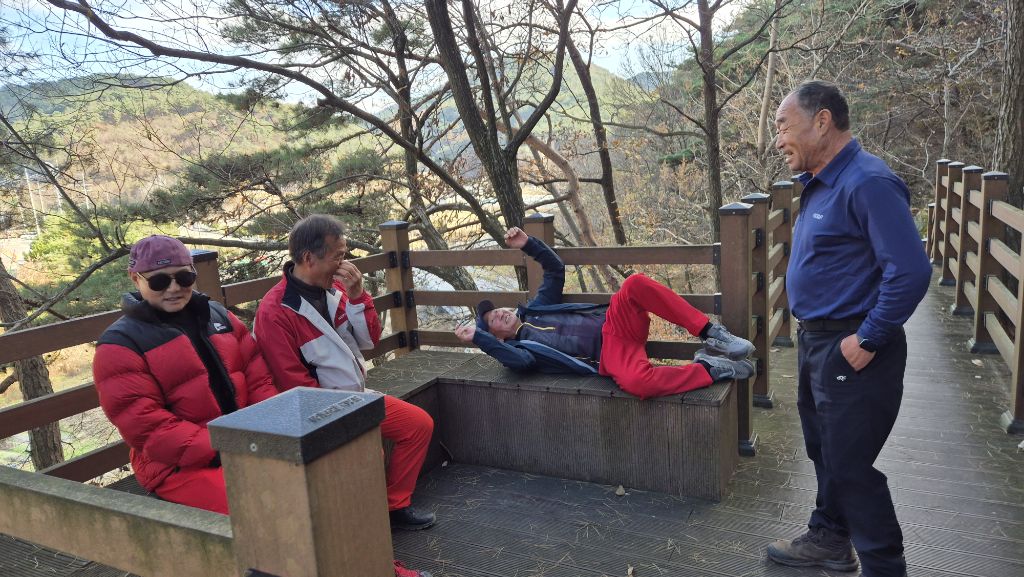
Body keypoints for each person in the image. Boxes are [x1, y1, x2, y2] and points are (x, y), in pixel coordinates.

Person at [767, 81, 931, 577]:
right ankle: (830, 538)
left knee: (851, 466)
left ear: (822, 121)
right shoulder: (823, 182)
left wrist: (869, 338)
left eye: (784, 126)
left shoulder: (867, 182)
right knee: (825, 450)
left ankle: (885, 568)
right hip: (818, 340)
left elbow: (911, 271)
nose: (778, 140)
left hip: (852, 344)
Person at [254, 214, 437, 533]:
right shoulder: (275, 312)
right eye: (338, 256)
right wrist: (349, 422)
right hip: (321, 413)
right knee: (369, 451)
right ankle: (367, 526)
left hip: (355, 399)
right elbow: (295, 386)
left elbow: (369, 340)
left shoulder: (335, 288)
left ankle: (394, 505)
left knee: (417, 425)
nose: (344, 264)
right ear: (309, 258)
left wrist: (358, 295)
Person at [93, 235, 279, 515]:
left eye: (184, 278)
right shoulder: (120, 345)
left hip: (244, 443)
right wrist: (228, 447)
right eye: (159, 281)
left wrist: (267, 430)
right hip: (175, 466)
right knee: (261, 505)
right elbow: (148, 428)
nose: (174, 288)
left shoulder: (218, 316)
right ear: (135, 279)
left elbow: (258, 379)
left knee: (313, 479)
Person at [454, 227, 755, 398]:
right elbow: (517, 362)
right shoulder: (520, 351)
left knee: (635, 283)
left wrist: (528, 244)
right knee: (639, 384)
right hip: (608, 357)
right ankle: (711, 368)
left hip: (615, 324)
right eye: (493, 320)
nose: (500, 314)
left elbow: (555, 269)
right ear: (497, 338)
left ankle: (712, 334)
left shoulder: (537, 308)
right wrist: (480, 339)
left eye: (498, 310)